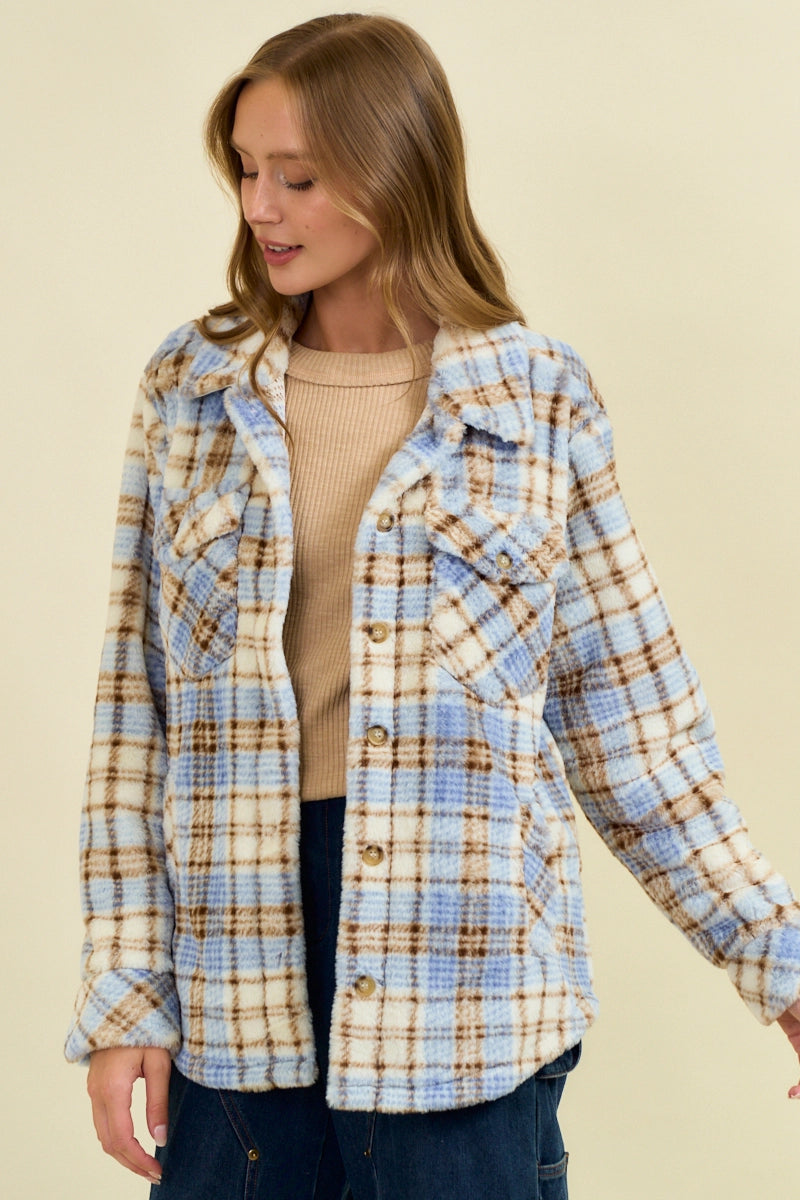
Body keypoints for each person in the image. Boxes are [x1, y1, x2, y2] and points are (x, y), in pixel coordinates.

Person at [65, 13, 800, 1199]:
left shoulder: (535, 400)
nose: (259, 208)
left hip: (465, 995)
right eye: (245, 171)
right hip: (234, 979)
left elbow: (632, 730)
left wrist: (778, 962)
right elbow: (132, 720)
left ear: (397, 171)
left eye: (298, 177)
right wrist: (122, 999)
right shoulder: (191, 391)